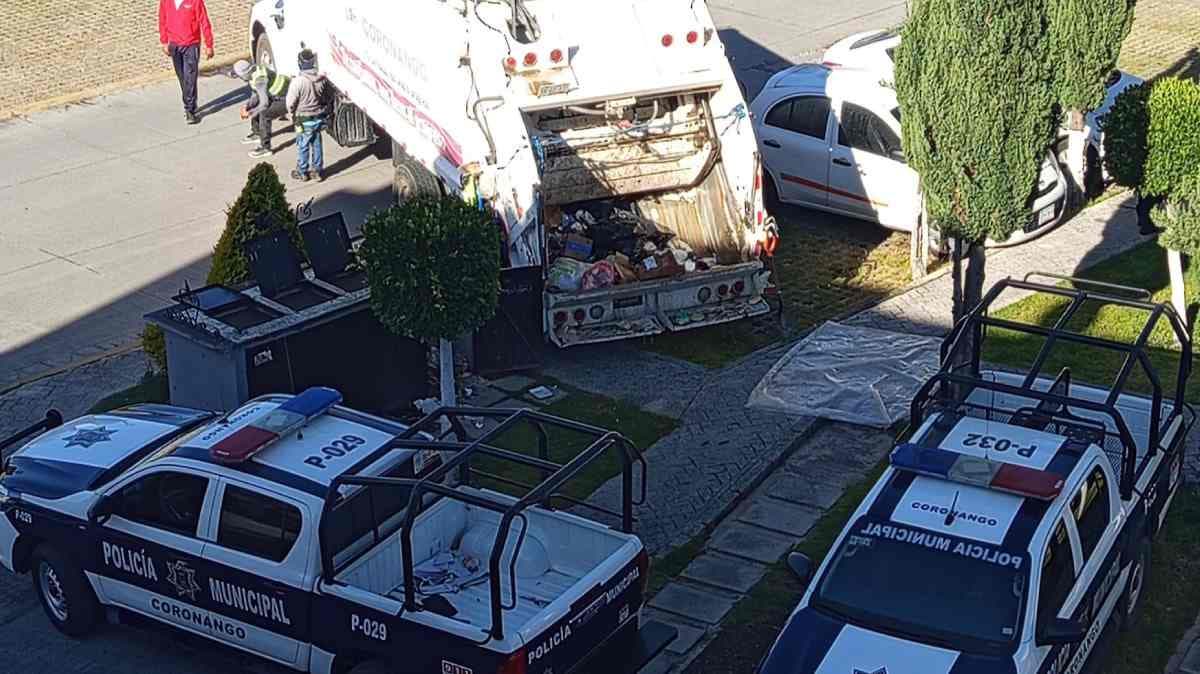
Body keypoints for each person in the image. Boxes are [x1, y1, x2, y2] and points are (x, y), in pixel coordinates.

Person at [158, 0, 214, 125]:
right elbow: (162, 19)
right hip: (174, 45)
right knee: (182, 77)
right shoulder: (166, 2)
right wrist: (164, 41)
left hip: (191, 45)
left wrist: (209, 44)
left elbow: (204, 21)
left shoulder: (195, 2)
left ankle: (190, 109)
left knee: (190, 76)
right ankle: (190, 101)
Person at [286, 49, 332, 182]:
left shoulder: (298, 82)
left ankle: (302, 171)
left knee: (303, 145)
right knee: (317, 144)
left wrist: (291, 115)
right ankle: (317, 171)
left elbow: (290, 103)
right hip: (318, 118)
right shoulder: (321, 79)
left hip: (303, 120)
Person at [233, 59, 290, 159]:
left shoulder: (259, 79)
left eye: (239, 76)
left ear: (244, 74)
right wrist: (246, 107)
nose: (240, 78)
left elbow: (264, 104)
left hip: (287, 99)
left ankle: (265, 148)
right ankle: (257, 133)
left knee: (265, 113)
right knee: (255, 106)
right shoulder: (254, 72)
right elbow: (256, 96)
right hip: (276, 96)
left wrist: (250, 113)